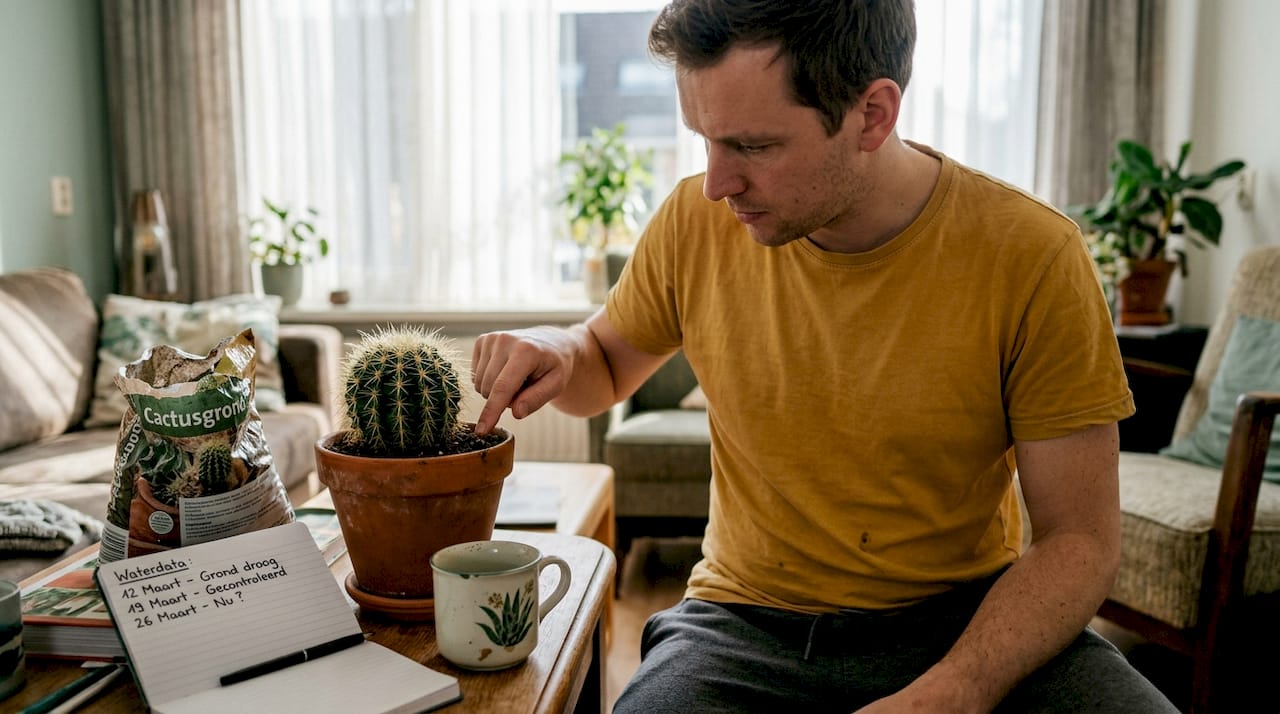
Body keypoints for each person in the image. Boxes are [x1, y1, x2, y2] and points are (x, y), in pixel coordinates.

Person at [472, 1, 1178, 711]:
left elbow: (1079, 540)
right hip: (742, 624)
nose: (717, 183)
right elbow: (602, 363)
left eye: (753, 146)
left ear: (873, 115)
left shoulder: (1033, 255)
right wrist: (559, 347)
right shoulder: (694, 220)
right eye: (704, 140)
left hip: (968, 621)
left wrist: (957, 690)